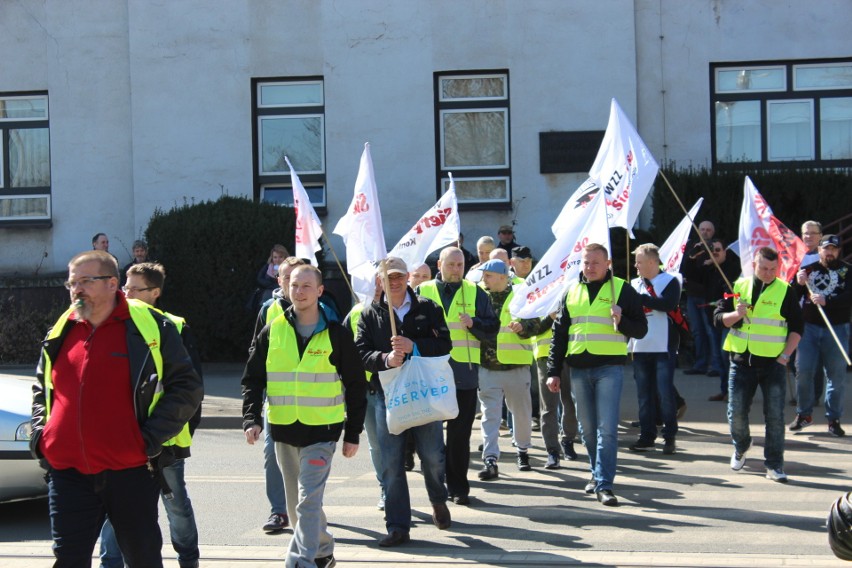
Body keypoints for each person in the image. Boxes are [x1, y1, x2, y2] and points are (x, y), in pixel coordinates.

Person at [30, 250, 203, 567]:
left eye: (85, 281)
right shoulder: (62, 328)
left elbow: (187, 387)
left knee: (142, 558)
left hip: (130, 470)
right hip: (68, 472)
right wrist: (42, 435)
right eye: (72, 282)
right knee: (68, 560)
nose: (76, 289)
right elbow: (42, 386)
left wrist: (147, 440)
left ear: (112, 283)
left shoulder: (150, 326)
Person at [242, 264, 366, 568]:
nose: (299, 292)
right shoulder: (273, 330)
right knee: (298, 507)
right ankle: (322, 550)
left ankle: (299, 562)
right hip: (284, 429)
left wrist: (352, 434)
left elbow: (356, 384)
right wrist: (251, 417)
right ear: (286, 288)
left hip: (322, 432)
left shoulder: (336, 334)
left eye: (307, 286)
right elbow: (253, 377)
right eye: (294, 285)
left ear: (320, 291)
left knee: (308, 500)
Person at [100, 262, 204, 568]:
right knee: (115, 507)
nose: (126, 293)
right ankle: (110, 562)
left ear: (154, 293)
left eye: (134, 288)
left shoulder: (173, 326)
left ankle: (188, 559)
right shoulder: (111, 324)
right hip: (123, 442)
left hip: (166, 442)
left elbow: (189, 389)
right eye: (124, 287)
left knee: (176, 506)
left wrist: (169, 431)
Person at [355, 257, 453, 546]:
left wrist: (415, 347)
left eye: (399, 276)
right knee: (391, 463)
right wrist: (385, 359)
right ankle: (398, 526)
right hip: (387, 397)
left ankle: (438, 499)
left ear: (408, 277)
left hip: (424, 393)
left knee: (433, 456)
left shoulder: (428, 308)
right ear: (379, 282)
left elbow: (446, 344)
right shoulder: (369, 314)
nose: (394, 282)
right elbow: (361, 352)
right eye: (388, 277)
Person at [546, 243, 647, 506]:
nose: (589, 267)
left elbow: (641, 330)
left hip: (609, 369)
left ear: (608, 264)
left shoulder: (622, 290)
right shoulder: (571, 291)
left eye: (595, 263)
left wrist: (622, 320)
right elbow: (559, 335)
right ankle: (595, 472)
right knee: (587, 429)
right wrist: (553, 371)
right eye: (586, 262)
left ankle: (604, 483)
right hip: (578, 369)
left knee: (607, 428)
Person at [417, 247, 498, 506]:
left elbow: (493, 330)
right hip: (430, 372)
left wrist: (475, 324)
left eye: (460, 265)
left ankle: (459, 487)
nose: (455, 269)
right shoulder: (422, 291)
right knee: (430, 435)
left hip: (464, 373)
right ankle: (436, 487)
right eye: (451, 264)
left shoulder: (476, 293)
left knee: (459, 435)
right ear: (439, 264)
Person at [716, 247, 803, 482]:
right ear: (754, 263)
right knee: (736, 414)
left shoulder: (785, 290)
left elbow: (797, 327)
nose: (768, 273)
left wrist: (785, 356)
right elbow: (718, 318)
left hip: (773, 363)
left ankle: (774, 465)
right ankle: (741, 445)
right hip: (741, 361)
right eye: (764, 268)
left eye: (773, 269)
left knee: (775, 416)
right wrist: (735, 314)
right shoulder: (738, 286)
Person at [251, 256, 307, 534]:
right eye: (286, 278)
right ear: (279, 280)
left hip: (313, 401)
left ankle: (307, 505)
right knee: (273, 453)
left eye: (296, 279)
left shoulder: (322, 310)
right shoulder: (268, 310)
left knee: (306, 457)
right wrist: (252, 410)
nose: (291, 284)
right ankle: (278, 510)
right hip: (275, 399)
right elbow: (255, 356)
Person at [476, 259, 543, 478]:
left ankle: (522, 450)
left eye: (488, 275)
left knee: (521, 414)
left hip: (516, 366)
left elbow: (537, 323)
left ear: (503, 277)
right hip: (487, 366)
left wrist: (523, 327)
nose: (483, 279)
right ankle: (490, 459)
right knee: (490, 416)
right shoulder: (479, 296)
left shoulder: (520, 295)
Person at [790, 234, 851, 437]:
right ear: (819, 250)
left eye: (834, 249)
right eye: (826, 248)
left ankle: (833, 419)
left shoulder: (847, 271)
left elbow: (849, 296)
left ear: (839, 251)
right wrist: (797, 283)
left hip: (837, 328)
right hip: (809, 328)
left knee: (836, 376)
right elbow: (791, 298)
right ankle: (803, 414)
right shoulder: (808, 270)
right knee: (804, 371)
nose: (830, 252)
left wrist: (828, 301)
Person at [628, 244, 680, 455]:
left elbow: (668, 304)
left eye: (639, 262)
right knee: (644, 394)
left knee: (664, 393)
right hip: (640, 346)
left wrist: (642, 300)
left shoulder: (669, 281)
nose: (636, 266)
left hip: (663, 346)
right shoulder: (633, 284)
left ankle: (669, 436)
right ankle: (647, 436)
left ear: (652, 262)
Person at [343, 276, 386, 510]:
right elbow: (341, 350)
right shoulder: (355, 313)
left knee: (396, 444)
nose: (377, 289)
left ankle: (396, 488)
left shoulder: (396, 311)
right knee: (377, 444)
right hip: (366, 390)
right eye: (372, 285)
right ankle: (386, 488)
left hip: (392, 390)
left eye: (381, 284)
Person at [682, 238, 742, 401]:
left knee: (725, 355)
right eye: (712, 250)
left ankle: (733, 390)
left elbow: (732, 292)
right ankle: (725, 390)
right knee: (719, 357)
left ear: (724, 252)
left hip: (729, 319)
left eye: (718, 250)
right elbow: (688, 274)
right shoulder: (708, 269)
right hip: (713, 319)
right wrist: (693, 257)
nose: (715, 253)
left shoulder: (732, 269)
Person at [791, 220, 826, 405]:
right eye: (805, 233)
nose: (808, 236)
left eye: (813, 233)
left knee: (814, 358)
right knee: (793, 356)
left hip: (815, 314)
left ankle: (814, 394)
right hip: (794, 311)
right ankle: (802, 392)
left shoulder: (824, 257)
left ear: (820, 236)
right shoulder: (794, 256)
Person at [682, 221, 718, 376]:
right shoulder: (691, 247)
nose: (705, 232)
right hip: (692, 295)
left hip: (708, 297)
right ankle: (700, 364)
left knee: (711, 331)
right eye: (702, 229)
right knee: (697, 331)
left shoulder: (716, 248)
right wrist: (692, 255)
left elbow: (709, 273)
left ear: (713, 232)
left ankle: (716, 365)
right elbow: (685, 269)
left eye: (708, 230)